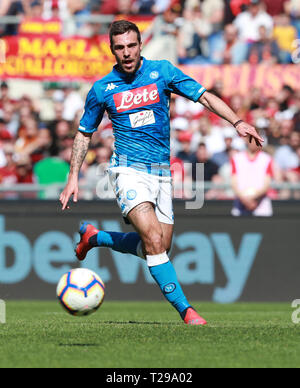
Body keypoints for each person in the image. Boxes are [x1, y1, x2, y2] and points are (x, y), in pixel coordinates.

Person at [59, 20, 263, 326]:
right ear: (112, 50)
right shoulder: (102, 89)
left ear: (141, 45)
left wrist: (237, 122)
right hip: (127, 169)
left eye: (131, 45)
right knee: (153, 240)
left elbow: (205, 96)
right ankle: (187, 311)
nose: (126, 53)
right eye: (119, 47)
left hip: (161, 172)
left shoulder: (162, 72)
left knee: (159, 247)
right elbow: (84, 133)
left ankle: (95, 236)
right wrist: (73, 175)